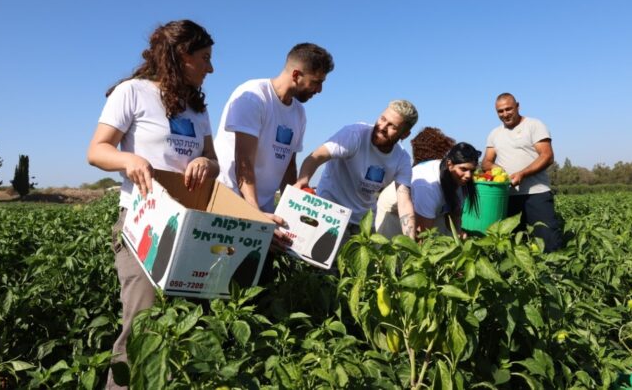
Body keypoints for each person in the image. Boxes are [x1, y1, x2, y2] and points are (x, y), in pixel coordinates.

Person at [86, 20, 218, 389]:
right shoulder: (133, 92)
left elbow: (214, 160)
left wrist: (205, 163)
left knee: (188, 326)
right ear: (181, 55)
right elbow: (97, 150)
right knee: (141, 326)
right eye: (204, 58)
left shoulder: (197, 108)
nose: (210, 68)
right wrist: (129, 160)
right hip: (143, 221)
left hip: (189, 224)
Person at [213, 43, 334, 250]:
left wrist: (295, 212)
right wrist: (254, 214)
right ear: (296, 74)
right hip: (230, 204)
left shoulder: (298, 113)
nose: (319, 90)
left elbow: (288, 166)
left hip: (263, 209)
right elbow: (244, 162)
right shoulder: (253, 97)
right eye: (316, 82)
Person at [295, 100, 419, 243]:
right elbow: (317, 156)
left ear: (405, 134)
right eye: (383, 119)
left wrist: (410, 242)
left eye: (392, 126)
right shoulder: (354, 135)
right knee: (320, 256)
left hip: (363, 224)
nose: (382, 127)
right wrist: (303, 180)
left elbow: (404, 202)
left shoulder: (402, 159)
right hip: (329, 215)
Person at [481, 92, 562, 251]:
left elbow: (547, 156)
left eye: (508, 109)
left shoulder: (534, 125)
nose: (505, 114)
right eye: (500, 111)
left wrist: (522, 174)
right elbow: (486, 162)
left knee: (548, 242)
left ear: (517, 106)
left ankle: (554, 267)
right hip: (508, 197)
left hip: (536, 194)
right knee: (513, 246)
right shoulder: (494, 134)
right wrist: (496, 168)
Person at [376, 140, 481, 238]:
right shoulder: (429, 186)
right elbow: (422, 233)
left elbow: (455, 214)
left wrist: (458, 233)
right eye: (463, 169)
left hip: (430, 210)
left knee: (444, 241)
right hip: (395, 210)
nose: (468, 175)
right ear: (450, 164)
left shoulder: (460, 182)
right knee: (394, 247)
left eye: (472, 170)